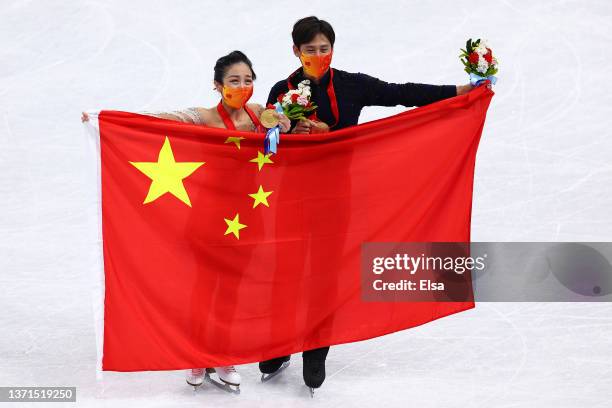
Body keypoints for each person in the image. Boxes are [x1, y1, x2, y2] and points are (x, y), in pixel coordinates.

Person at [259, 16, 481, 395]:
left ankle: (315, 351)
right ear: (295, 51)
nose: (317, 55)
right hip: (291, 199)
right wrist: (290, 132)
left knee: (324, 275)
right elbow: (268, 142)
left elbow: (403, 92)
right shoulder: (282, 90)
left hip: (335, 199)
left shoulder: (350, 85)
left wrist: (462, 91)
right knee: (288, 272)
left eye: (323, 48)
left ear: (332, 49)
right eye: (309, 49)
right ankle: (280, 344)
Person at [82, 50, 290, 393]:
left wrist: (286, 125)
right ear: (217, 84)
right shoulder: (204, 117)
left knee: (232, 291)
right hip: (208, 218)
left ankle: (224, 355)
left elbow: (291, 141)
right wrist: (104, 119)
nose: (242, 86)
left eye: (248, 80)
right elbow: (161, 118)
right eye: (234, 80)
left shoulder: (261, 116)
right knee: (204, 291)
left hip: (248, 218)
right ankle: (198, 354)